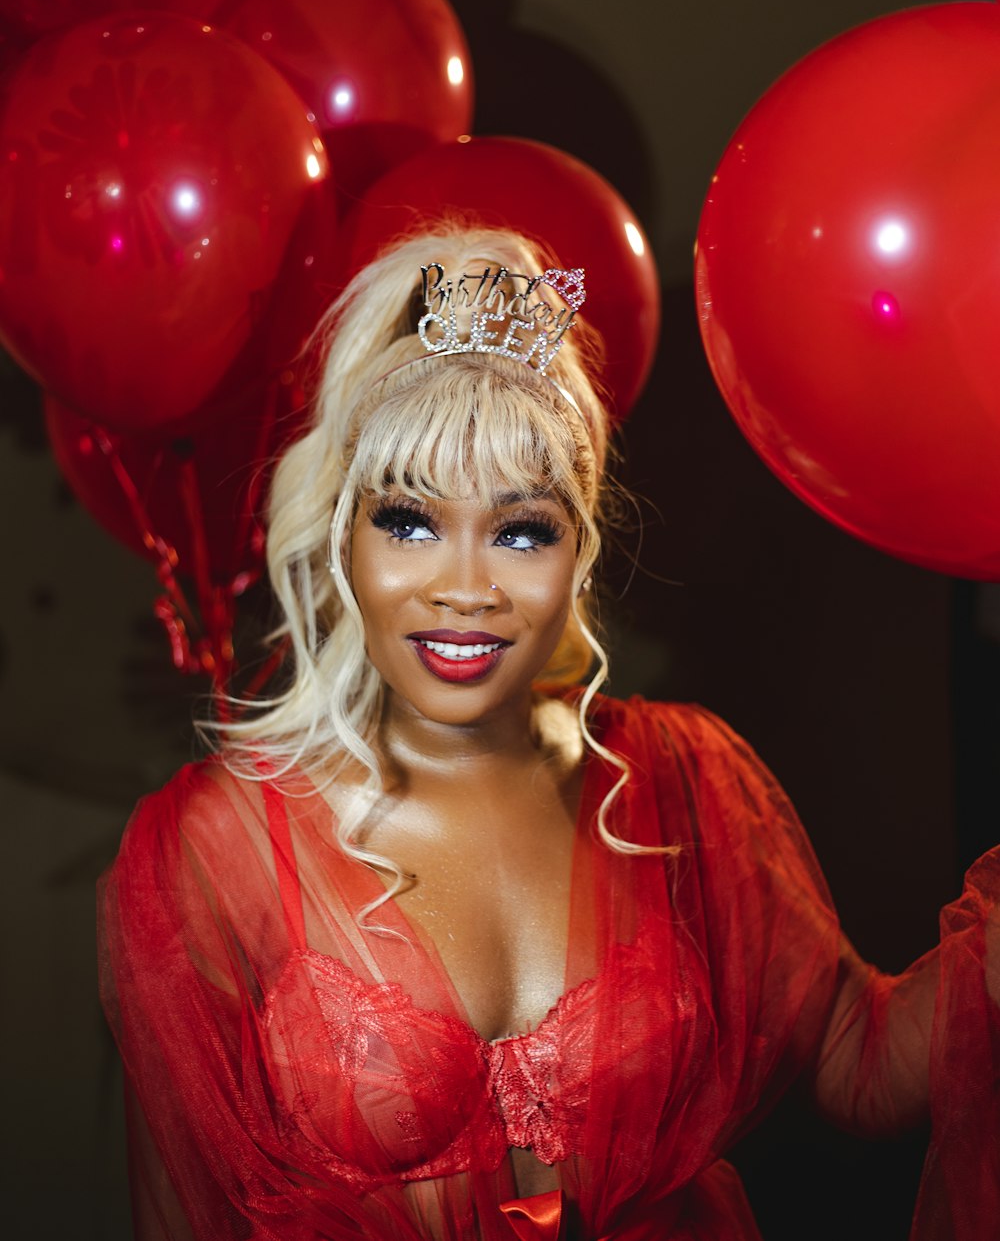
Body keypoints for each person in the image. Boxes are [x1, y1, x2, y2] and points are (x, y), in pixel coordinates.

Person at [99, 225, 1000, 1241]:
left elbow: (862, 1061)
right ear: (342, 531)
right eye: (407, 520)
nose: (464, 588)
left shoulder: (680, 777)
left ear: (579, 548)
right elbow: (180, 1217)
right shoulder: (216, 849)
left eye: (522, 529)